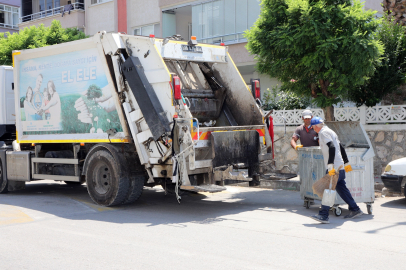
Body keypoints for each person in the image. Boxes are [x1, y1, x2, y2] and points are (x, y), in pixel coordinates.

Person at [309, 117, 363, 224]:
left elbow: (332, 147)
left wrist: (330, 164)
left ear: (316, 126)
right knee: (341, 188)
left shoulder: (323, 133)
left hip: (334, 168)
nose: (313, 129)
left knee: (327, 190)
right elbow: (341, 147)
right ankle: (355, 209)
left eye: (313, 127)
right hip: (340, 166)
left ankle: (324, 215)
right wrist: (346, 162)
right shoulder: (331, 131)